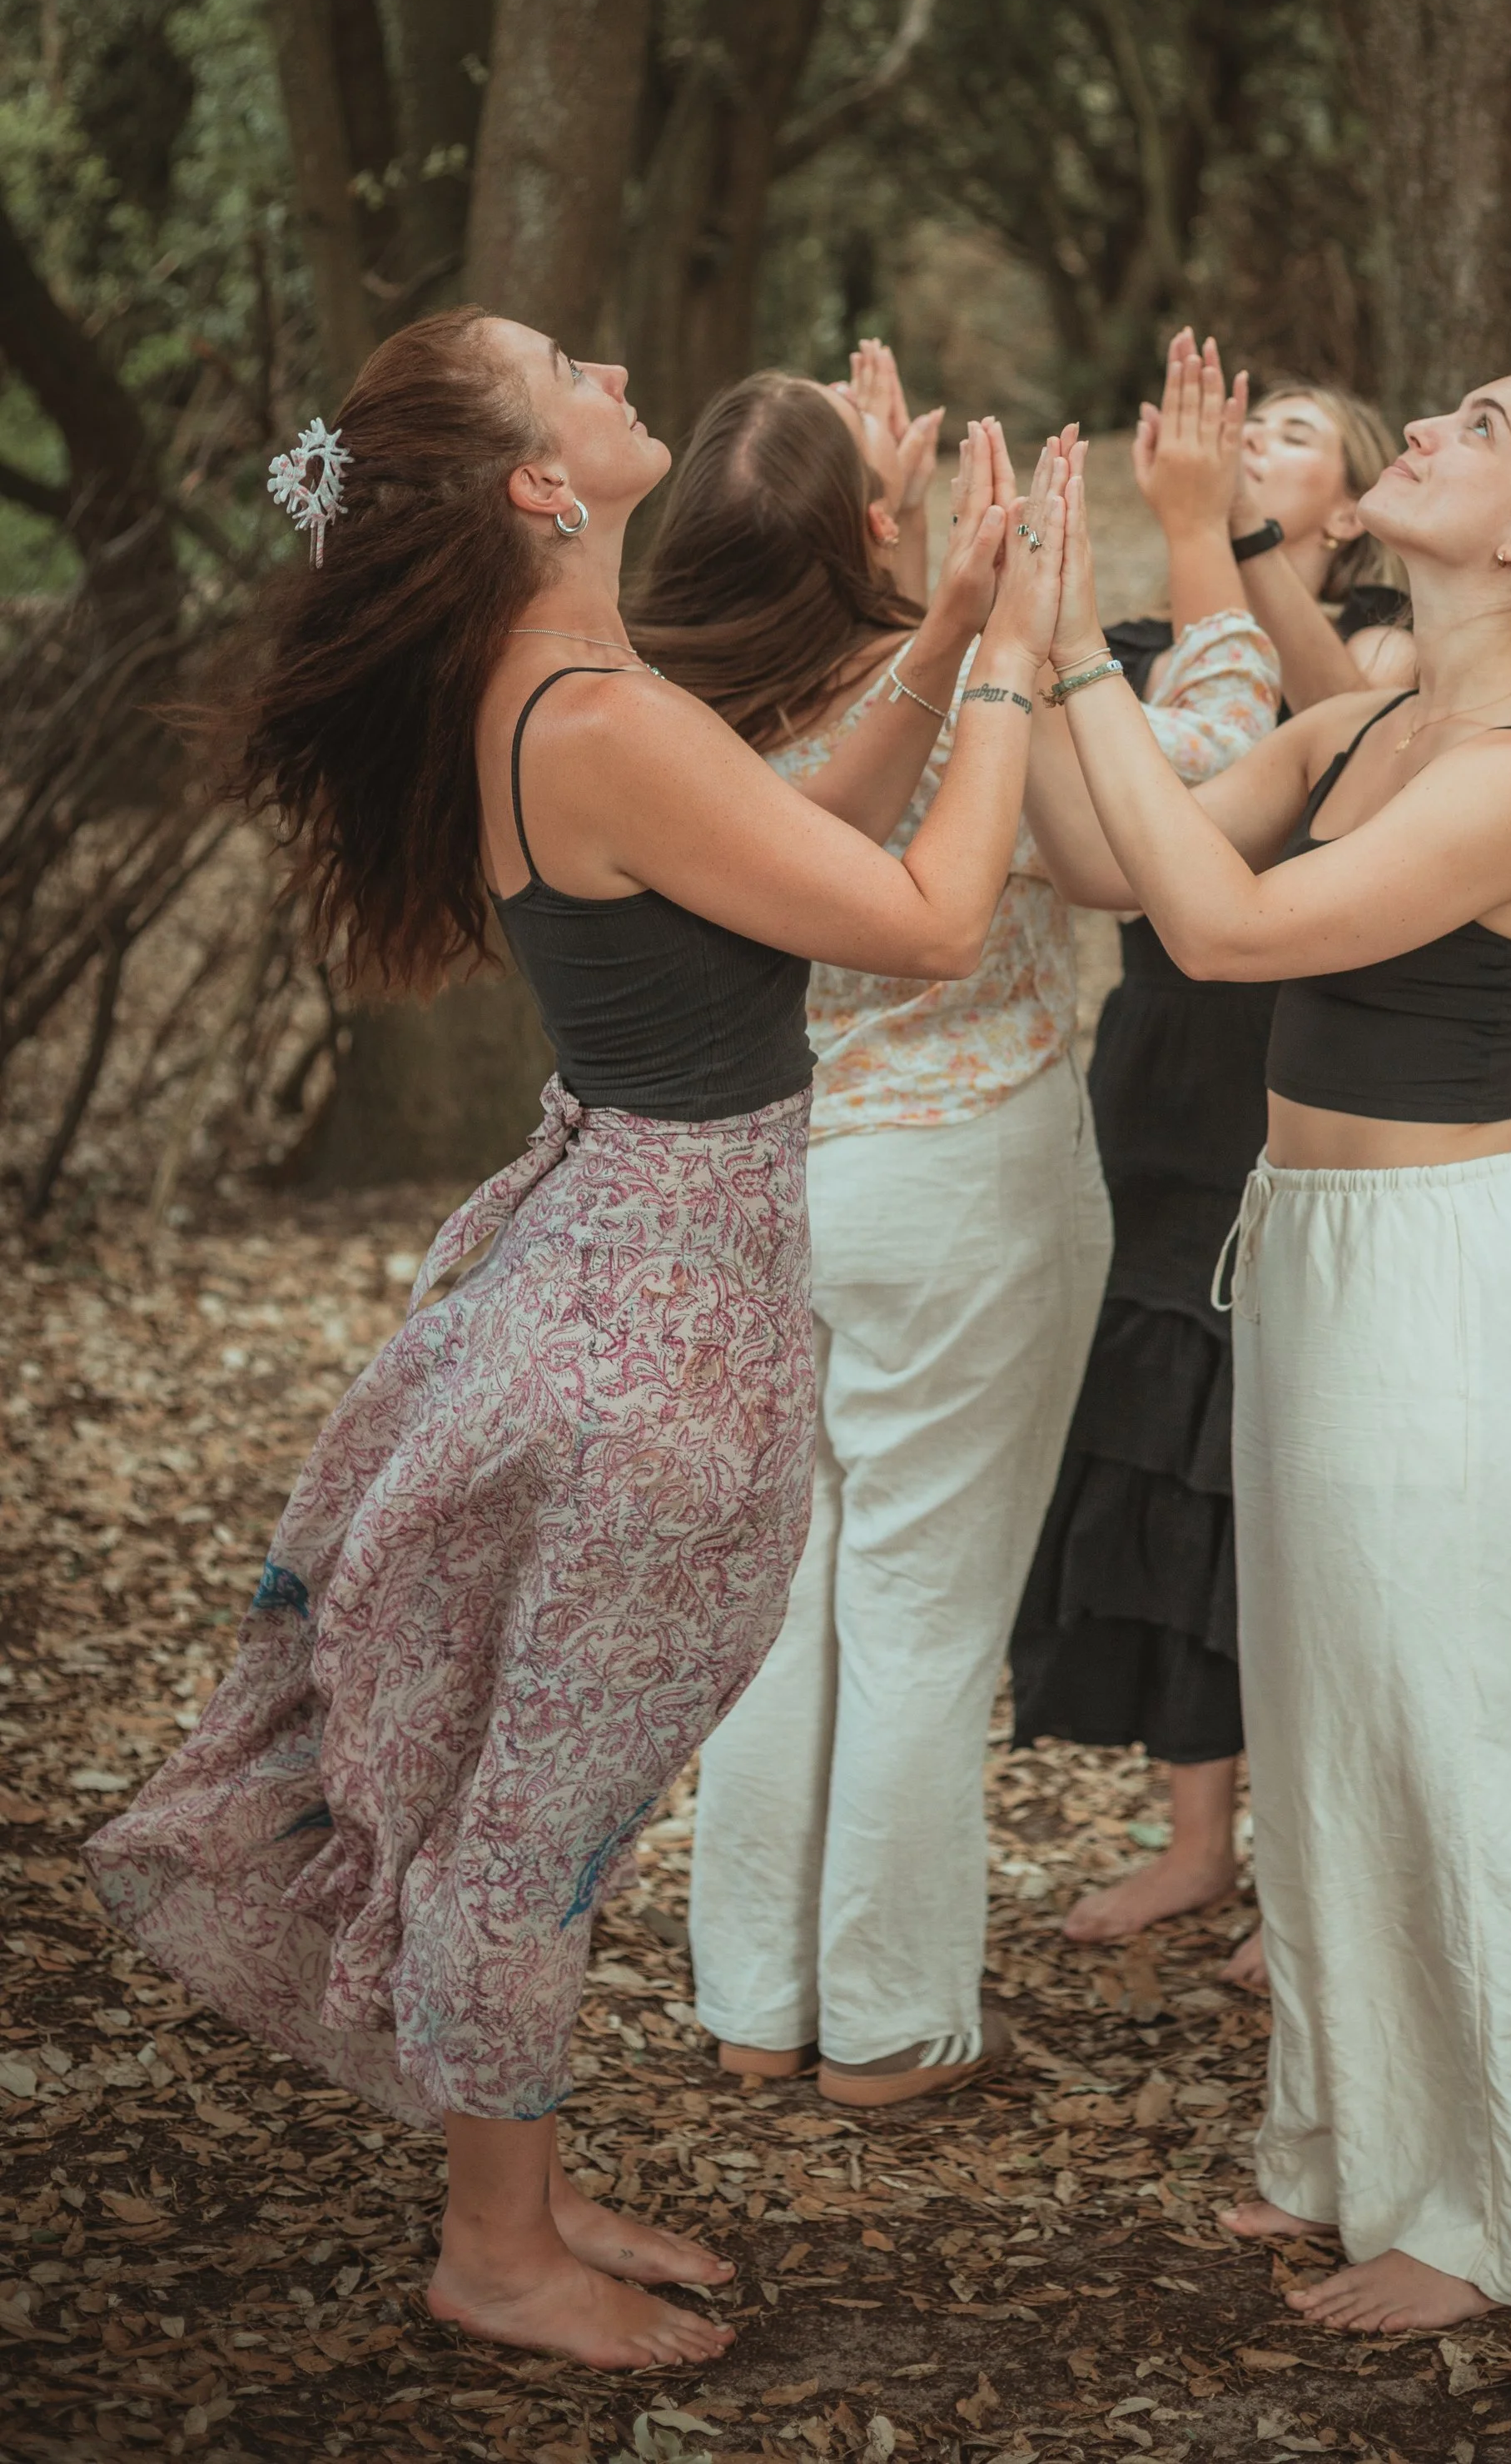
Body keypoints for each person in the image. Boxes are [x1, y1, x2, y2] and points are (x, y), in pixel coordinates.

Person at [87, 311, 1066, 2372]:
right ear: (543, 485)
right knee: (539, 1814)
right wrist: (1019, 665)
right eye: (566, 370)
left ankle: (515, 2182)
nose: (613, 367)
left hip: (634, 1252)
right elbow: (923, 920)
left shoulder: (587, 690)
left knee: (568, 1774)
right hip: (655, 1323)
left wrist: (943, 623)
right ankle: (492, 2247)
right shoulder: (592, 711)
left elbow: (789, 844)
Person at [1036, 352, 1511, 2332]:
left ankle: (1490, 2218)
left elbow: (1225, 935)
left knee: (1451, 1750)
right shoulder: (1376, 708)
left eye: (1474, 431)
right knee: (1325, 1731)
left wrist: (1074, 644)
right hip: (1307, 1257)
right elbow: (1104, 863)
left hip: (1441, 1293)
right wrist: (1020, 631)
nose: (1428, 431)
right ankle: (1341, 2147)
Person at [637, 370, 1275, 2108]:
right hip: (959, 1189)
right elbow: (1184, 782)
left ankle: (754, 2003)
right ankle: (895, 2020)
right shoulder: (963, 679)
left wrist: (890, 537)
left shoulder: (660, 715)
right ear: (861, 529)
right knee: (922, 1607)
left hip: (766, 1183)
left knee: (792, 1606)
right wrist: (1182, 549)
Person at [1012, 339, 1414, 1949]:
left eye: (1292, 432)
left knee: (1287, 1469)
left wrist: (1229, 548)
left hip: (1303, 1094)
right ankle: (1198, 1839)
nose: (1251, 443)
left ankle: (1316, 1866)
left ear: (1356, 493)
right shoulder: (1134, 645)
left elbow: (1337, 742)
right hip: (1157, 1084)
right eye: (1240, 429)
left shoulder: (1392, 650)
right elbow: (1109, 841)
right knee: (1169, 1454)